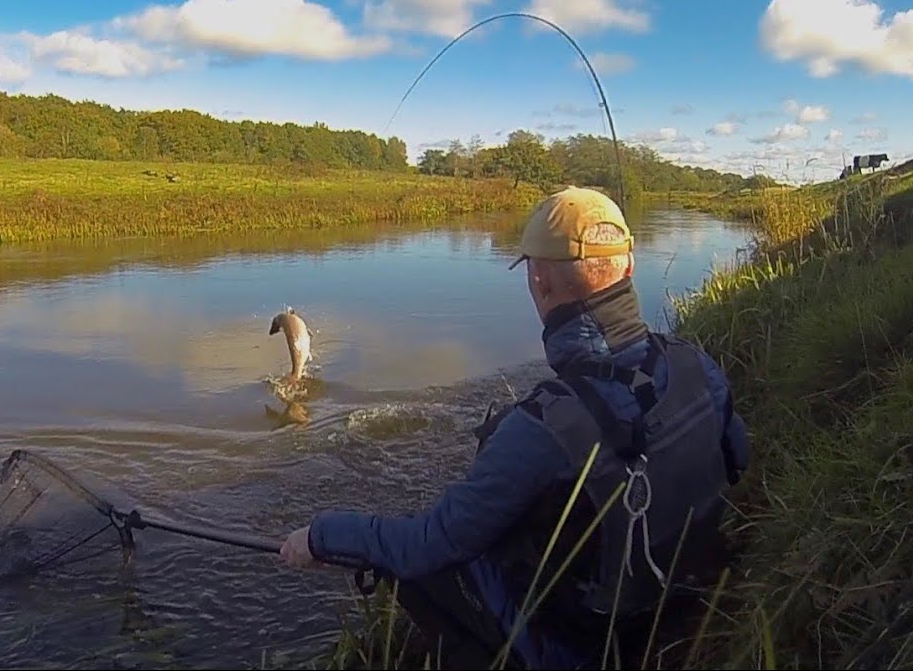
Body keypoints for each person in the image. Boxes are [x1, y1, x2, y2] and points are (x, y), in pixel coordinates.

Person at [278, 186, 750, 669]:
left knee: (423, 564)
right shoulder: (696, 363)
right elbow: (738, 458)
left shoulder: (543, 425)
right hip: (688, 600)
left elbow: (428, 545)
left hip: (584, 648)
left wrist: (321, 536)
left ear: (540, 282)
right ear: (628, 267)